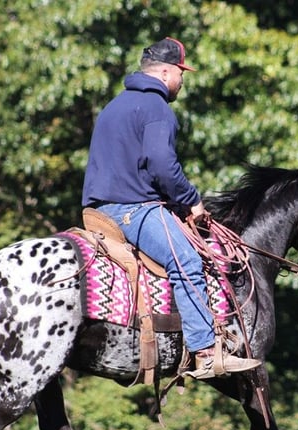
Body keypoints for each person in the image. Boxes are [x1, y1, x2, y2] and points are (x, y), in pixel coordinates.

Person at [81, 37, 261, 379]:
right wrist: (191, 200)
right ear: (166, 72)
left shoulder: (116, 105)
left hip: (99, 210)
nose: (182, 80)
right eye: (181, 73)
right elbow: (162, 164)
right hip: (133, 209)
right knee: (188, 262)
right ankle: (206, 352)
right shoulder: (156, 107)